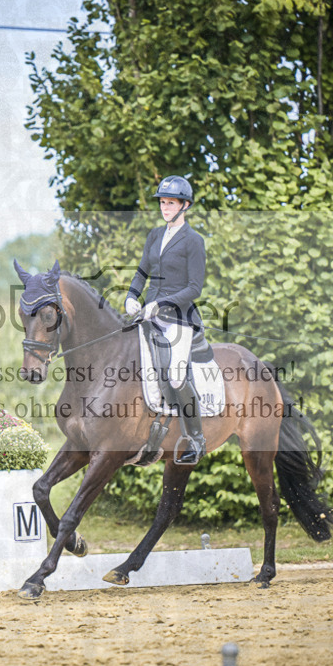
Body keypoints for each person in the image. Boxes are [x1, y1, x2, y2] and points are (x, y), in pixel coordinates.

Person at [125, 175, 206, 464]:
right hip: (149, 315)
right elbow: (142, 271)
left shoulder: (194, 241)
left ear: (185, 206)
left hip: (179, 320)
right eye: (162, 202)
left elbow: (195, 287)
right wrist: (132, 295)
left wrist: (160, 303)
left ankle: (196, 439)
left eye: (170, 202)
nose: (165, 207)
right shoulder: (155, 236)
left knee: (175, 375)